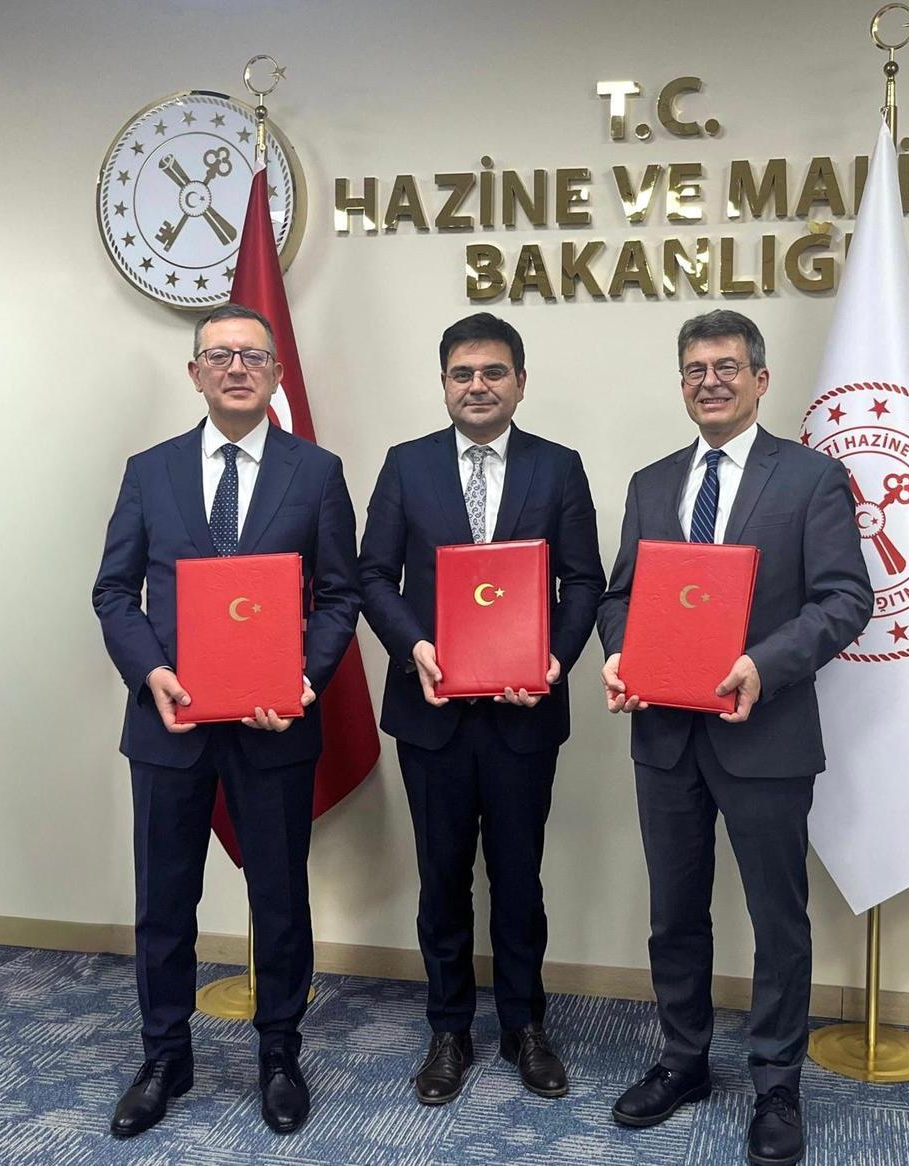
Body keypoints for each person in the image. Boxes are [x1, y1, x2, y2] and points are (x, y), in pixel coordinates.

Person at [597, 310, 873, 1166]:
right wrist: (619, 654)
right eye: (694, 369)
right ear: (681, 383)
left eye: (725, 366)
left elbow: (845, 599)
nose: (709, 381)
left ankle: (776, 1083)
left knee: (776, 919)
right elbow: (620, 596)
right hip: (664, 737)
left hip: (767, 733)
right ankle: (682, 1061)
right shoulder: (651, 483)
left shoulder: (812, 479)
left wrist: (762, 664)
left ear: (760, 378)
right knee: (674, 913)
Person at [92, 303, 361, 1138]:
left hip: (274, 723)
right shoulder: (151, 471)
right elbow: (114, 592)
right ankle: (164, 1055)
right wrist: (153, 674)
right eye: (219, 356)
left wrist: (303, 679)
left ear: (277, 373)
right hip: (168, 722)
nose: (236, 367)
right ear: (195, 374)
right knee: (164, 897)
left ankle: (279, 1052)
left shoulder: (316, 472)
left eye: (252, 355)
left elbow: (339, 596)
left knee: (279, 895)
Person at [358, 312, 605, 1105]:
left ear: (520, 383)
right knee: (441, 880)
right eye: (462, 374)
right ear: (443, 385)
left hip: (523, 714)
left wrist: (554, 659)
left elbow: (584, 580)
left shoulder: (557, 468)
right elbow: (372, 576)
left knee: (519, 879)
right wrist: (414, 647)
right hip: (431, 711)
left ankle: (526, 1027)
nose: (477, 386)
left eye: (493, 372)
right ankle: (449, 1030)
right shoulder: (406, 466)